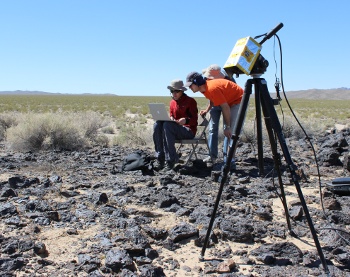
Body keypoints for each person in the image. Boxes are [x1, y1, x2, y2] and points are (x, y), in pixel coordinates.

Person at [184, 71, 243, 170]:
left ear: (197, 82)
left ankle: (230, 162)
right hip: (228, 102)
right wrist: (207, 110)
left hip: (238, 100)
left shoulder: (212, 88)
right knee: (229, 132)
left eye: (191, 85)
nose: (190, 88)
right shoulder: (204, 89)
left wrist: (227, 127)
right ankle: (228, 161)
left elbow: (225, 107)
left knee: (231, 133)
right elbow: (212, 99)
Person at [153, 79, 198, 170]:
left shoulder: (190, 101)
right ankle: (160, 158)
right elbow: (171, 116)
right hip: (175, 129)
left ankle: (171, 160)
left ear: (182, 91)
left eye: (176, 91)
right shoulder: (172, 102)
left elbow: (195, 120)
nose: (174, 93)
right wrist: (171, 119)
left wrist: (186, 120)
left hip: (188, 131)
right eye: (172, 91)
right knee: (157, 124)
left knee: (167, 126)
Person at [200, 64, 237, 165]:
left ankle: (227, 157)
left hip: (227, 105)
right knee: (212, 129)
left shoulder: (229, 80)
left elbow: (228, 100)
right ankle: (212, 156)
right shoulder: (208, 83)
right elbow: (213, 98)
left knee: (228, 129)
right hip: (216, 106)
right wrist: (207, 110)